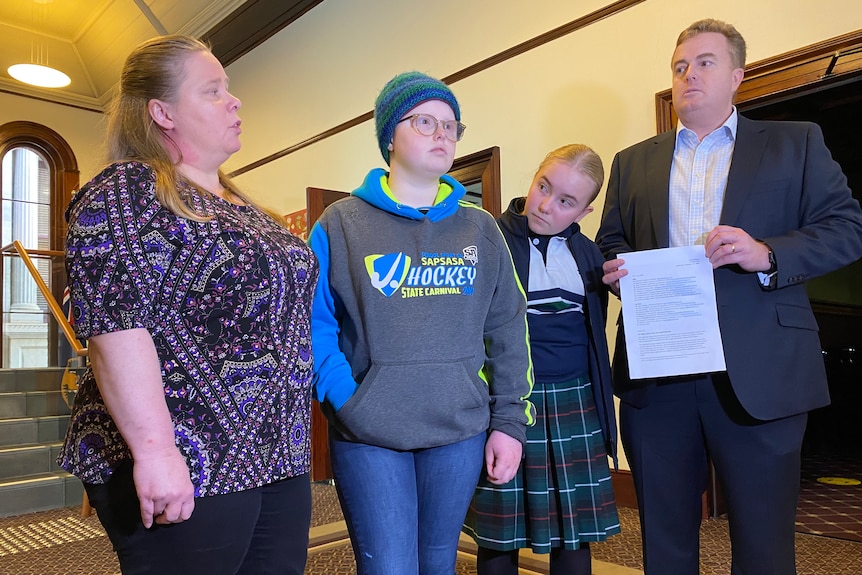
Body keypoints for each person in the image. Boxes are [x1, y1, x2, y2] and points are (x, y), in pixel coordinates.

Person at [596, 18, 862, 575]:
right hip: (658, 373)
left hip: (761, 370)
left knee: (764, 546)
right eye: (679, 65)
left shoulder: (797, 142)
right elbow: (613, 243)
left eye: (705, 62)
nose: (688, 74)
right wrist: (617, 269)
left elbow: (845, 229)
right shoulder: (631, 161)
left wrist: (766, 252)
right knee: (664, 542)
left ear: (737, 75)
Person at [58, 35, 318, 575]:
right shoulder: (127, 191)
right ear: (162, 112)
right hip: (190, 449)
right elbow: (114, 329)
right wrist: (155, 453)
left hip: (276, 447)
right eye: (213, 90)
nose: (235, 101)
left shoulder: (240, 203)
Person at [308, 71, 534, 575]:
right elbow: (313, 323)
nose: (442, 135)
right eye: (426, 122)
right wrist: (348, 399)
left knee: (438, 563)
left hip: (458, 427)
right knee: (389, 566)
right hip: (369, 430)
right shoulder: (340, 223)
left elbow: (507, 326)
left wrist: (508, 422)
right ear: (390, 134)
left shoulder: (480, 227)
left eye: (452, 127)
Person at [464, 144, 621, 574]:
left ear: (585, 212)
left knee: (574, 533)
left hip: (577, 401)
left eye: (566, 201)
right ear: (533, 178)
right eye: (543, 187)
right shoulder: (488, 240)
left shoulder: (589, 255)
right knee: (500, 534)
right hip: (510, 402)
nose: (546, 205)